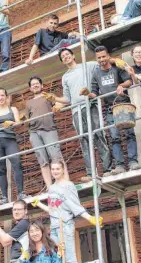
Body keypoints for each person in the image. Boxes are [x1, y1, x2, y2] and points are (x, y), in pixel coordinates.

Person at [32, 159, 102, 263]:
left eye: (58, 169)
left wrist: (89, 218)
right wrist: (39, 204)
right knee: (60, 260)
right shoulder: (51, 189)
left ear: (63, 170)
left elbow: (74, 205)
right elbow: (53, 210)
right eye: (53, 169)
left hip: (66, 225)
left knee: (70, 258)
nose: (55, 171)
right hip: (55, 227)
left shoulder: (69, 186)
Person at [43, 48, 112, 182]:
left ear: (73, 55)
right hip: (76, 110)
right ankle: (91, 172)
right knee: (84, 140)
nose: (66, 57)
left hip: (91, 105)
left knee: (99, 135)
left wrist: (116, 61)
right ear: (62, 61)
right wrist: (55, 99)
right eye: (63, 56)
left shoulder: (88, 65)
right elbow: (68, 99)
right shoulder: (65, 77)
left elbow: (104, 62)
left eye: (67, 54)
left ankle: (107, 169)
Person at [82, 46, 140, 174]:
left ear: (108, 56)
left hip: (124, 104)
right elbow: (95, 93)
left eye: (103, 56)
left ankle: (133, 162)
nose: (102, 59)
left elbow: (129, 81)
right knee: (114, 137)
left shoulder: (117, 67)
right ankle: (119, 166)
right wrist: (88, 93)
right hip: (110, 109)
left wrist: (121, 85)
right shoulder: (96, 73)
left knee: (129, 133)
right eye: (99, 58)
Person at [25, 76, 68, 189]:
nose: (35, 85)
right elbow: (26, 119)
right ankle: (50, 187)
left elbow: (61, 103)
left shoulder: (48, 96)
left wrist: (57, 106)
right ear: (30, 88)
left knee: (56, 157)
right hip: (34, 133)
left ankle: (65, 183)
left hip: (49, 130)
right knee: (43, 160)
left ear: (42, 85)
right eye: (32, 84)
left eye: (37, 83)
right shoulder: (28, 103)